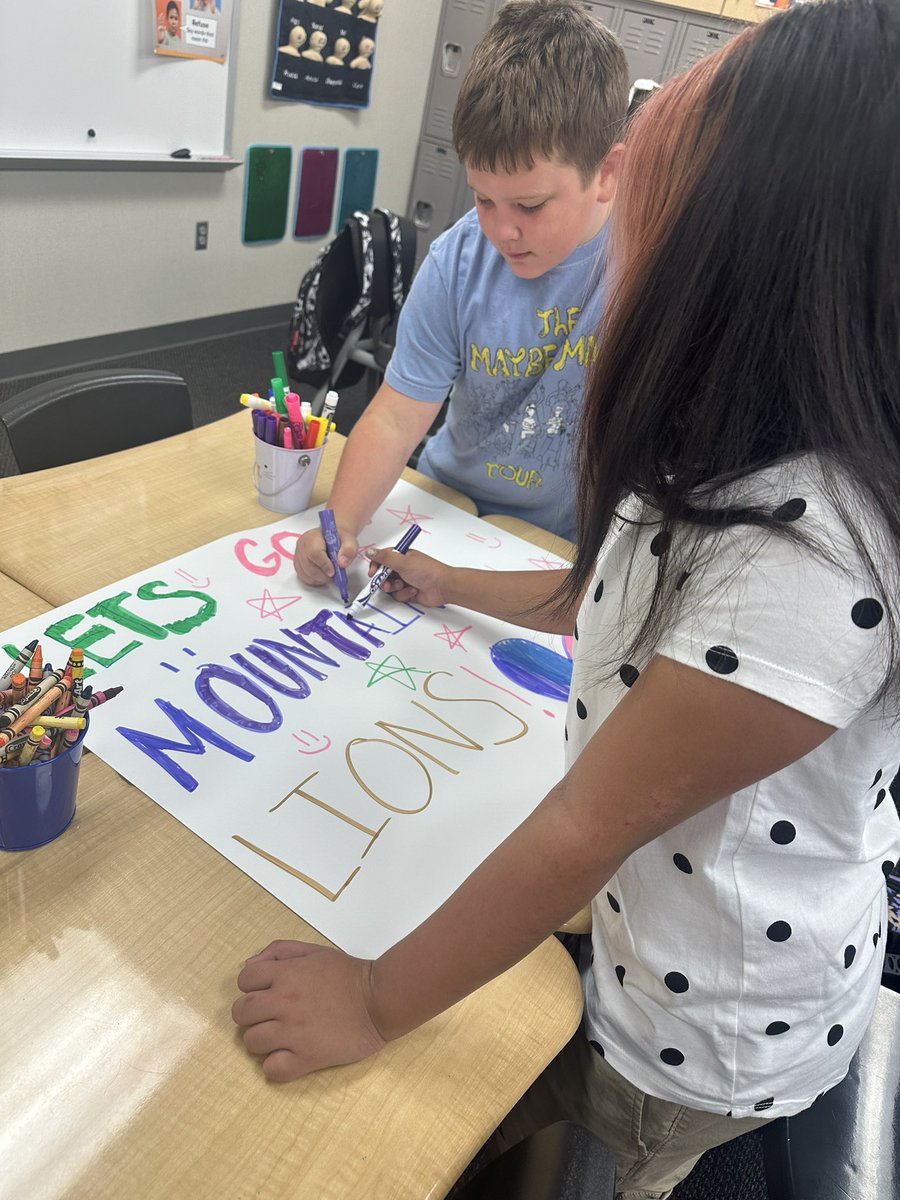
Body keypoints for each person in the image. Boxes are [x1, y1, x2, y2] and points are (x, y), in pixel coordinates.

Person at [233, 2, 900, 1196]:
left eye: (651, 180)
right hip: (626, 942)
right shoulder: (712, 456)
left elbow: (585, 826)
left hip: (693, 1041)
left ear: (742, 246)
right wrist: (442, 575)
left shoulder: (807, 560)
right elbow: (601, 603)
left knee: (591, 1155)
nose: (511, 238)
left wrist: (379, 995)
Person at [291, 0, 628, 583]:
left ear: (607, 174)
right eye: (482, 198)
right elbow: (397, 416)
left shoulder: (644, 267)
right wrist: (340, 525)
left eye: (529, 205)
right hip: (446, 505)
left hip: (567, 544)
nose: (502, 231)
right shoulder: (458, 260)